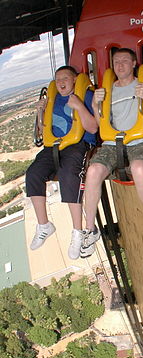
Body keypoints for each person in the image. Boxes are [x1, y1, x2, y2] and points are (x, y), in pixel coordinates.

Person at [81, 48, 143, 258]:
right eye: (116, 62)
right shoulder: (108, 89)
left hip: (139, 141)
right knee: (92, 171)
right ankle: (89, 230)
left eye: (124, 61)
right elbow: (101, 123)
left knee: (138, 168)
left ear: (134, 63)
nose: (120, 65)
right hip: (112, 143)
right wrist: (94, 104)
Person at [26, 66, 98, 259]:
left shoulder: (86, 95)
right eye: (57, 79)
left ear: (75, 80)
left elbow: (93, 127)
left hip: (78, 144)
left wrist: (80, 106)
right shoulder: (52, 98)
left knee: (68, 174)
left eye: (65, 78)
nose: (60, 83)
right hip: (54, 146)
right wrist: (41, 112)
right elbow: (43, 130)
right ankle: (44, 225)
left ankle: (77, 232)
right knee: (33, 173)